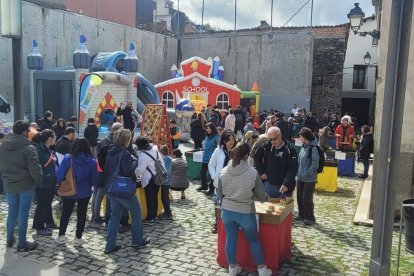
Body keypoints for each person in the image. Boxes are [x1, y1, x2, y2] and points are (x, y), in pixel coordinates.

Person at [217, 143, 272, 276]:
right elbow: (261, 196)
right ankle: (262, 269)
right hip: (245, 212)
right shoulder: (253, 173)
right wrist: (266, 197)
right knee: (253, 240)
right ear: (247, 156)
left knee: (230, 240)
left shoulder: (223, 171)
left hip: (228, 212)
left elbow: (219, 195)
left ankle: (233, 268)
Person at [103, 129, 150, 254]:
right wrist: (135, 161)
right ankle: (137, 240)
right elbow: (129, 172)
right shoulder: (125, 154)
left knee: (115, 216)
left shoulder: (111, 151)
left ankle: (110, 245)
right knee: (137, 212)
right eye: (129, 138)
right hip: (123, 190)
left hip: (112, 188)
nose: (131, 140)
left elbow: (107, 169)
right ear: (126, 140)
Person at [0, 121, 42, 252]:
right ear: (25, 132)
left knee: (12, 213)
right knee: (23, 214)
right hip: (25, 184)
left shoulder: (3, 145)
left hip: (10, 183)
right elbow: (35, 169)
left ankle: (9, 239)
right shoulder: (29, 148)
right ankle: (22, 243)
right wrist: (39, 181)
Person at [55, 138, 98, 246]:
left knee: (66, 213)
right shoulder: (92, 161)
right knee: (82, 214)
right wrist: (88, 184)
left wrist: (62, 182)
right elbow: (94, 179)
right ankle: (78, 238)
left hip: (69, 190)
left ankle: (61, 236)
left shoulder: (68, 158)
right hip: (85, 191)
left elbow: (60, 175)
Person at [253, 127, 298, 199]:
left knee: (283, 210)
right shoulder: (266, 146)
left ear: (280, 135)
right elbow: (256, 156)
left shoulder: (290, 149)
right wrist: (261, 172)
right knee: (267, 208)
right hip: (269, 185)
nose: (272, 142)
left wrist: (286, 183)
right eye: (270, 139)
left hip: (284, 187)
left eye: (274, 139)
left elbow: (293, 168)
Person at [32, 129, 58, 236]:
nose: (56, 138)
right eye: (54, 136)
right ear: (49, 139)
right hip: (43, 182)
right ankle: (39, 227)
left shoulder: (47, 149)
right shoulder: (39, 150)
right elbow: (37, 167)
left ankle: (49, 222)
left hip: (50, 180)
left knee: (48, 203)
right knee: (42, 204)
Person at [96, 122, 123, 224]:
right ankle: (111, 218)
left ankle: (103, 218)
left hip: (104, 172)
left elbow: (100, 159)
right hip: (112, 174)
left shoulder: (102, 142)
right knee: (110, 197)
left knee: (103, 196)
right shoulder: (116, 143)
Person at [135, 137, 165, 225]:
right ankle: (154, 216)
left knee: (150, 198)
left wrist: (134, 175)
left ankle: (151, 218)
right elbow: (161, 162)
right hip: (157, 177)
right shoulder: (155, 150)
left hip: (149, 179)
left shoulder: (143, 155)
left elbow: (140, 170)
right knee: (154, 197)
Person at [296, 128, 319, 225]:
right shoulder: (303, 147)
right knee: (299, 197)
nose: (299, 138)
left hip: (309, 178)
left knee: (307, 198)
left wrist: (307, 173)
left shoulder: (313, 148)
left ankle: (310, 217)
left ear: (304, 137)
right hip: (300, 177)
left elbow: (315, 164)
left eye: (300, 136)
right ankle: (302, 215)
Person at [209, 130, 236, 196]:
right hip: (220, 182)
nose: (231, 141)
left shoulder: (237, 151)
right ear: (224, 141)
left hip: (233, 183)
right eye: (228, 140)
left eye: (232, 139)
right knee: (219, 203)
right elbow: (211, 165)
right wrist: (214, 176)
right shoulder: (218, 151)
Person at [197, 122, 220, 193]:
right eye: (206, 129)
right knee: (202, 172)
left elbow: (219, 147)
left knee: (212, 175)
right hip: (205, 158)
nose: (206, 130)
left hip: (212, 159)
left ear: (212, 128)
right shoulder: (207, 136)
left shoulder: (217, 137)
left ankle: (211, 189)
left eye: (207, 128)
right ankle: (204, 185)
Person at [159, 145, 173, 220]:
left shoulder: (164, 160)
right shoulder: (169, 158)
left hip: (165, 182)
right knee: (165, 197)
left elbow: (166, 172)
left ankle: (168, 213)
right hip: (168, 181)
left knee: (164, 198)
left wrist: (163, 180)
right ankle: (167, 211)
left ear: (160, 153)